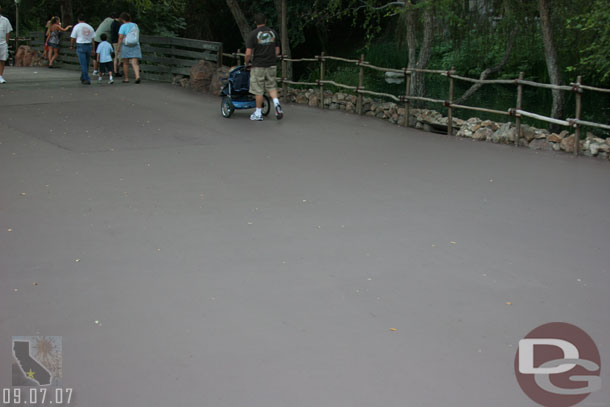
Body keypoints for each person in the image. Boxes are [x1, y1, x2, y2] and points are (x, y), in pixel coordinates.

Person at [244, 13, 283, 121]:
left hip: (258, 65)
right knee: (271, 86)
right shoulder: (273, 33)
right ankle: (277, 105)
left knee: (258, 90)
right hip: (271, 65)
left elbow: (248, 53)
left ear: (255, 22)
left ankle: (258, 113)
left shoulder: (253, 34)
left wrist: (246, 63)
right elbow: (277, 51)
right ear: (265, 21)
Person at [70, 15, 95, 85]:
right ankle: (83, 76)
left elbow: (73, 37)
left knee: (83, 63)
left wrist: (71, 45)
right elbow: (93, 39)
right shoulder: (90, 27)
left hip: (80, 45)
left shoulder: (77, 27)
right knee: (86, 63)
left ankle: (86, 79)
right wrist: (93, 49)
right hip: (89, 45)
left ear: (78, 19)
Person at [117, 12, 141, 84]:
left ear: (122, 19)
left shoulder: (123, 26)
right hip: (135, 45)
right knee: (134, 62)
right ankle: (137, 76)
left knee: (125, 63)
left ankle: (126, 78)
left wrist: (118, 47)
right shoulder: (135, 25)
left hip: (126, 45)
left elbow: (120, 38)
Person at [0, 6, 13, 84]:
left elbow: (8, 32)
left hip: (2, 43)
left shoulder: (5, 20)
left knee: (2, 60)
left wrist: (6, 43)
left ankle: (0, 76)